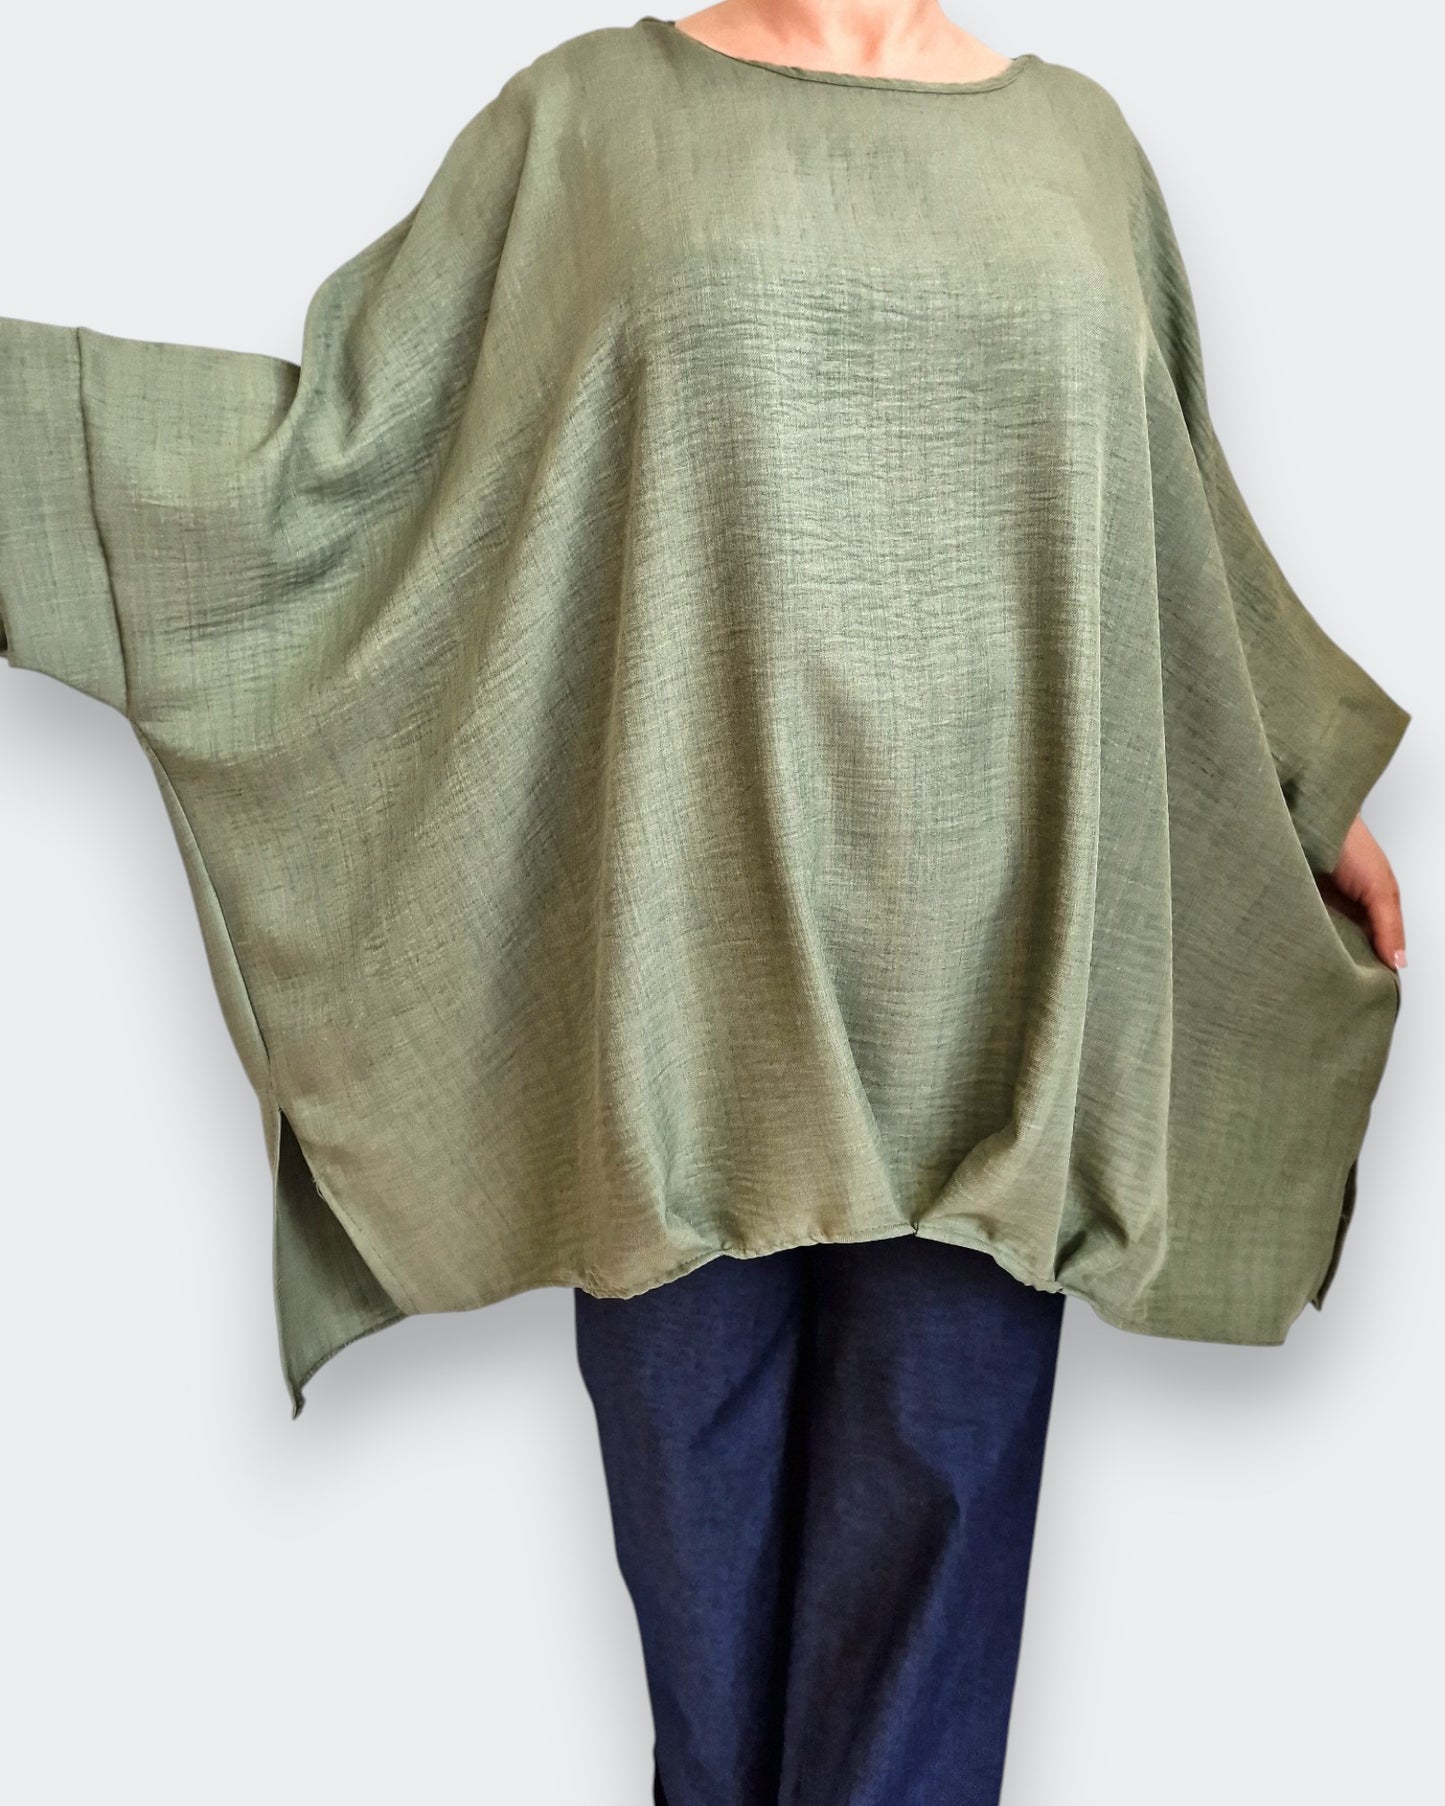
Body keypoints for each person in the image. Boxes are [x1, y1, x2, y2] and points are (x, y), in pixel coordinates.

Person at [0, 4, 1411, 1802]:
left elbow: (1169, 513)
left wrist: (1302, 785)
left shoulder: (1080, 152)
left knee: (915, 1674)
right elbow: (346, 469)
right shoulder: (587, 123)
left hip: (997, 985)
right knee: (712, 1697)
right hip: (682, 990)